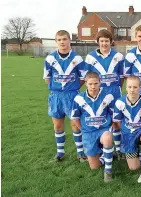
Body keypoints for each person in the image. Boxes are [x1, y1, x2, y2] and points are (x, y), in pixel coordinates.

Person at [43, 30, 87, 162]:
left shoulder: (77, 58)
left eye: (64, 39)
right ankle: (60, 153)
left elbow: (83, 77)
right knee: (57, 125)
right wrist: (57, 88)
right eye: (59, 40)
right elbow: (47, 78)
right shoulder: (50, 58)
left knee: (75, 124)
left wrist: (72, 88)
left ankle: (80, 153)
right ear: (56, 42)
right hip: (56, 96)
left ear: (69, 40)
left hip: (72, 95)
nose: (62, 42)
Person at [84, 29, 125, 159]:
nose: (104, 43)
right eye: (101, 41)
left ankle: (119, 149)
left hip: (114, 91)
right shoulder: (90, 57)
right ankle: (104, 148)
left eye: (106, 41)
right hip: (99, 93)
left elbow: (122, 76)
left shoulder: (118, 56)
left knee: (116, 120)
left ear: (111, 42)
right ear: (98, 42)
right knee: (101, 120)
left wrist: (117, 88)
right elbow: (88, 76)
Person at [70, 72, 115, 182]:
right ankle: (106, 156)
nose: (93, 86)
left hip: (103, 130)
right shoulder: (79, 98)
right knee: (94, 167)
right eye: (90, 84)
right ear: (85, 83)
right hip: (88, 133)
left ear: (100, 83)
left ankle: (108, 171)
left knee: (107, 137)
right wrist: (83, 130)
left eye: (96, 83)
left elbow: (114, 115)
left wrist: (111, 128)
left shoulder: (108, 96)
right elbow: (75, 118)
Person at [113, 76, 141, 183]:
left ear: (140, 88)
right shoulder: (119, 102)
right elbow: (117, 122)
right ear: (125, 88)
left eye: (135, 87)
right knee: (133, 167)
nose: (132, 90)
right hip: (128, 134)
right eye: (129, 87)